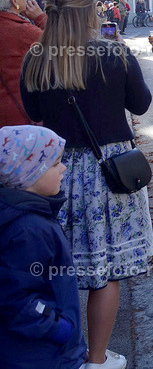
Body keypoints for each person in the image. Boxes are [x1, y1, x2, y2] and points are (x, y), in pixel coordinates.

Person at [20, 0, 153, 369]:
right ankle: (96, 360)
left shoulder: (36, 56)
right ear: (91, 9)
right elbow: (142, 104)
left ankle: (61, 354)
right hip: (108, 174)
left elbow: (34, 114)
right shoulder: (114, 53)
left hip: (54, 174)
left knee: (57, 270)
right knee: (104, 271)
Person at [0, 125, 87, 369]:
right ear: (28, 173)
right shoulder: (28, 228)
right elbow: (16, 299)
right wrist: (61, 329)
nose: (63, 168)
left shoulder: (32, 214)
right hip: (41, 354)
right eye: (54, 163)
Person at [0, 0, 46, 126]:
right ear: (14, 1)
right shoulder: (23, 32)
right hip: (17, 116)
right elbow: (62, 47)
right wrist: (41, 18)